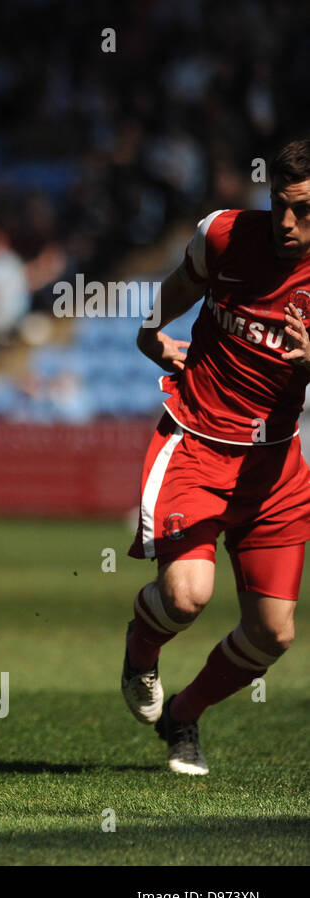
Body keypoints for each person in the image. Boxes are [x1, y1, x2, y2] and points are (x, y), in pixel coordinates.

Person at [124, 139, 310, 774]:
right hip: (197, 443)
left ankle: (185, 713)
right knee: (185, 598)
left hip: (275, 467)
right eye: (280, 206)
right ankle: (141, 651)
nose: (287, 223)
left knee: (274, 634)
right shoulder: (227, 236)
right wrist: (151, 331)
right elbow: (183, 283)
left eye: (304, 211)